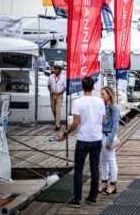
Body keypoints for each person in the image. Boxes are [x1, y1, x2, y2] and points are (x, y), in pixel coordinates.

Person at [57, 77, 105, 208]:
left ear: (82, 88)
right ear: (93, 87)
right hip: (96, 139)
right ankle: (92, 197)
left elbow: (75, 123)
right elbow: (102, 120)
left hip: (83, 139)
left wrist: (65, 133)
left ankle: (77, 199)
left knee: (79, 169)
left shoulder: (78, 102)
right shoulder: (100, 101)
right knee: (95, 168)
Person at [98, 86, 120, 195]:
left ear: (109, 95)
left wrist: (110, 140)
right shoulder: (102, 106)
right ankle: (103, 181)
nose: (100, 96)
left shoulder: (114, 107)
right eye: (100, 94)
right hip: (101, 135)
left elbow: (115, 125)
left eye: (103, 94)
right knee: (102, 160)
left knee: (111, 160)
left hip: (108, 135)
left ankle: (113, 184)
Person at [47, 64, 66, 131]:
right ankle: (57, 121)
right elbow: (48, 85)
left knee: (57, 110)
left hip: (59, 95)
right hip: (52, 95)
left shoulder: (63, 77)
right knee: (53, 110)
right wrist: (50, 91)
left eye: (56, 69)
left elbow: (65, 87)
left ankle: (57, 125)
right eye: (54, 69)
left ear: (60, 70)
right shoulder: (51, 76)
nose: (54, 70)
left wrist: (60, 93)